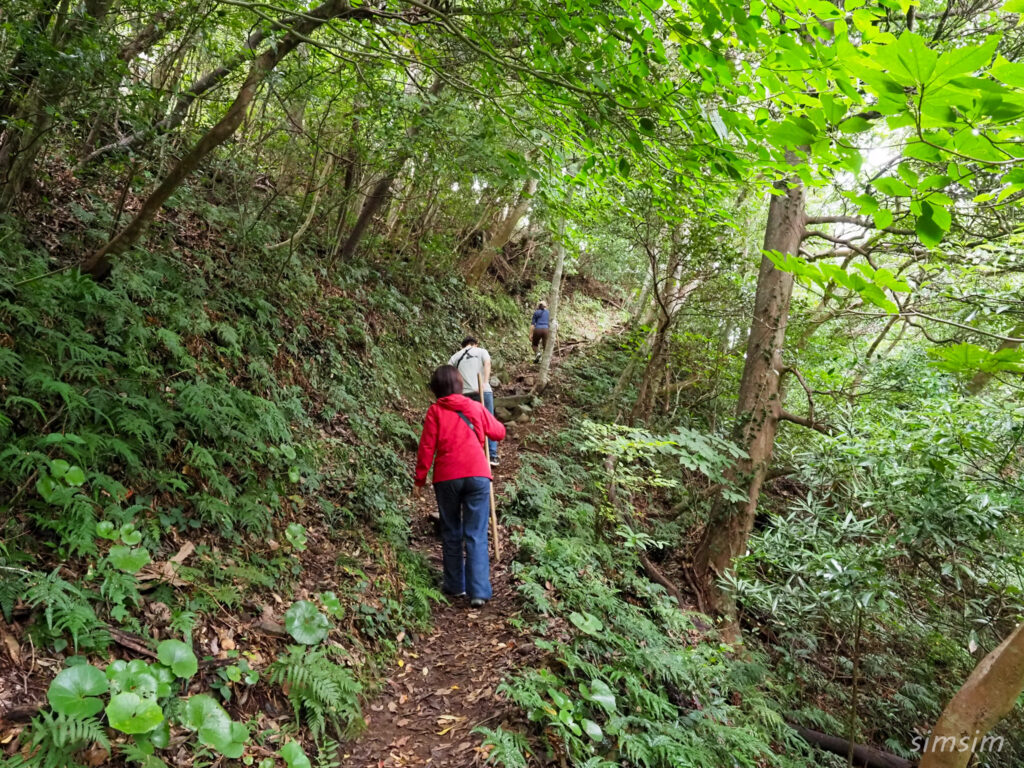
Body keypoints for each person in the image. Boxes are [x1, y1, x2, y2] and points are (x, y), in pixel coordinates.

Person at [413, 365, 506, 608]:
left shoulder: (435, 412)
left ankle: (455, 585)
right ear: (458, 384)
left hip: (447, 477)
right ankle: (479, 592)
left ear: (436, 389)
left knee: (451, 530)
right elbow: (499, 432)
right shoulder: (475, 407)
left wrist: (419, 480)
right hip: (477, 474)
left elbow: (426, 448)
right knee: (475, 533)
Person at [448, 336, 499, 466]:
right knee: (489, 421)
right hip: (483, 391)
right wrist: (485, 383)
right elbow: (487, 363)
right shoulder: (481, 351)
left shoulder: (455, 356)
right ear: (475, 344)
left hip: (464, 394)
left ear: (463, 346)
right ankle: (492, 455)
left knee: (468, 425)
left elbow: (449, 373)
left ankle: (470, 456)